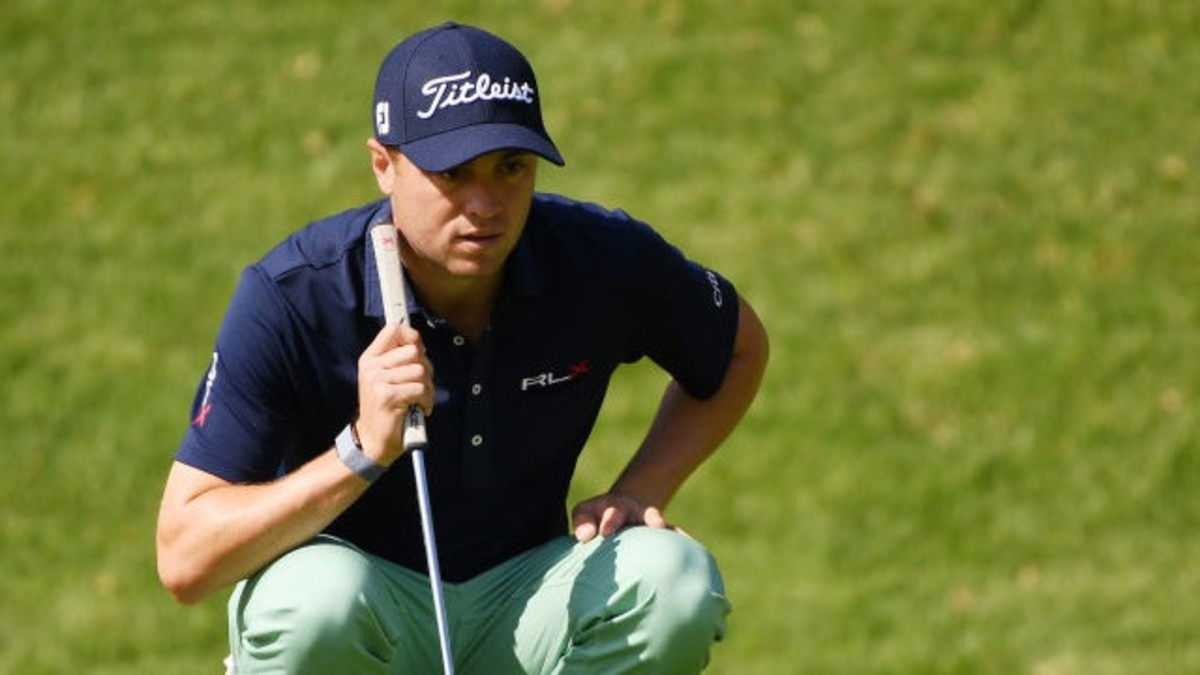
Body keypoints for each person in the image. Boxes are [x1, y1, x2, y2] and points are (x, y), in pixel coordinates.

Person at [156, 21, 768, 675]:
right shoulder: (294, 294)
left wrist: (642, 488)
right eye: (452, 171)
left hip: (525, 600)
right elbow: (185, 559)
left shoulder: (598, 257)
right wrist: (360, 451)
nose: (485, 204)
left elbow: (738, 349)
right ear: (383, 165)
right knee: (314, 605)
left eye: (511, 168)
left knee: (672, 581)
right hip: (364, 614)